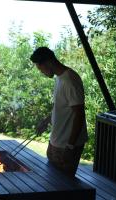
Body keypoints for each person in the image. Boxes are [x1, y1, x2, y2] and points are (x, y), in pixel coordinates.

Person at [30, 47, 88, 177]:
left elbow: (79, 114)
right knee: (51, 181)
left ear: (49, 62)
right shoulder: (59, 78)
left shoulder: (70, 80)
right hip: (56, 141)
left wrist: (70, 146)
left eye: (41, 69)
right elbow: (62, 108)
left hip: (67, 144)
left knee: (63, 186)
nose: (42, 73)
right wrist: (46, 121)